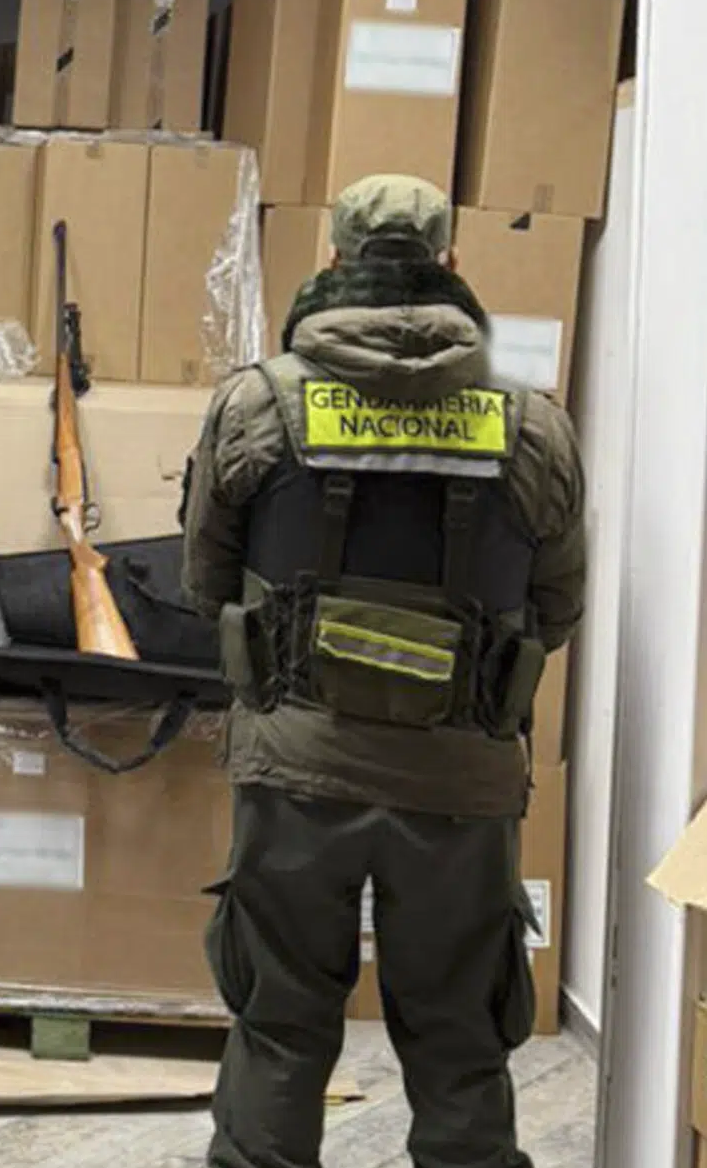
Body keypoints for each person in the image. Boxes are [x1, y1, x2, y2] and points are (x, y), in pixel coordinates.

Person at [180, 174, 587, 1168]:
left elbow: (205, 583)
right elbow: (557, 610)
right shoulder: (532, 424)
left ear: (333, 261)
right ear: (451, 265)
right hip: (460, 784)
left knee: (280, 1024)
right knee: (460, 1036)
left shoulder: (257, 404)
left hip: (295, 771)